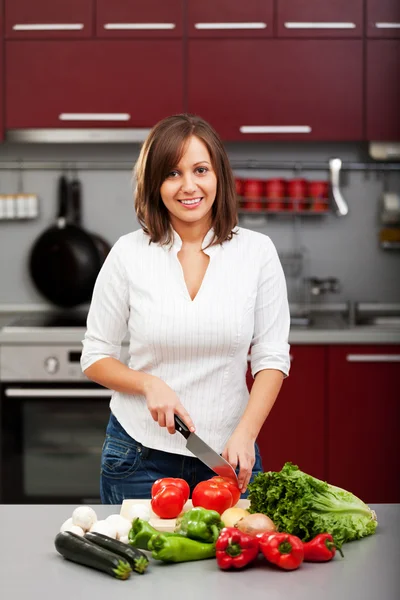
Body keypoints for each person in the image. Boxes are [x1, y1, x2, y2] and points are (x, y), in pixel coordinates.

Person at [81, 113, 290, 504]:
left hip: (229, 454)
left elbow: (271, 357)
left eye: (200, 170)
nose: (189, 186)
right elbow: (95, 356)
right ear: (155, 183)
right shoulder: (128, 254)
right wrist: (148, 383)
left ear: (219, 176)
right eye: (173, 173)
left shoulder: (257, 252)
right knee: (143, 564)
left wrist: (246, 432)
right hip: (138, 457)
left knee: (232, 562)